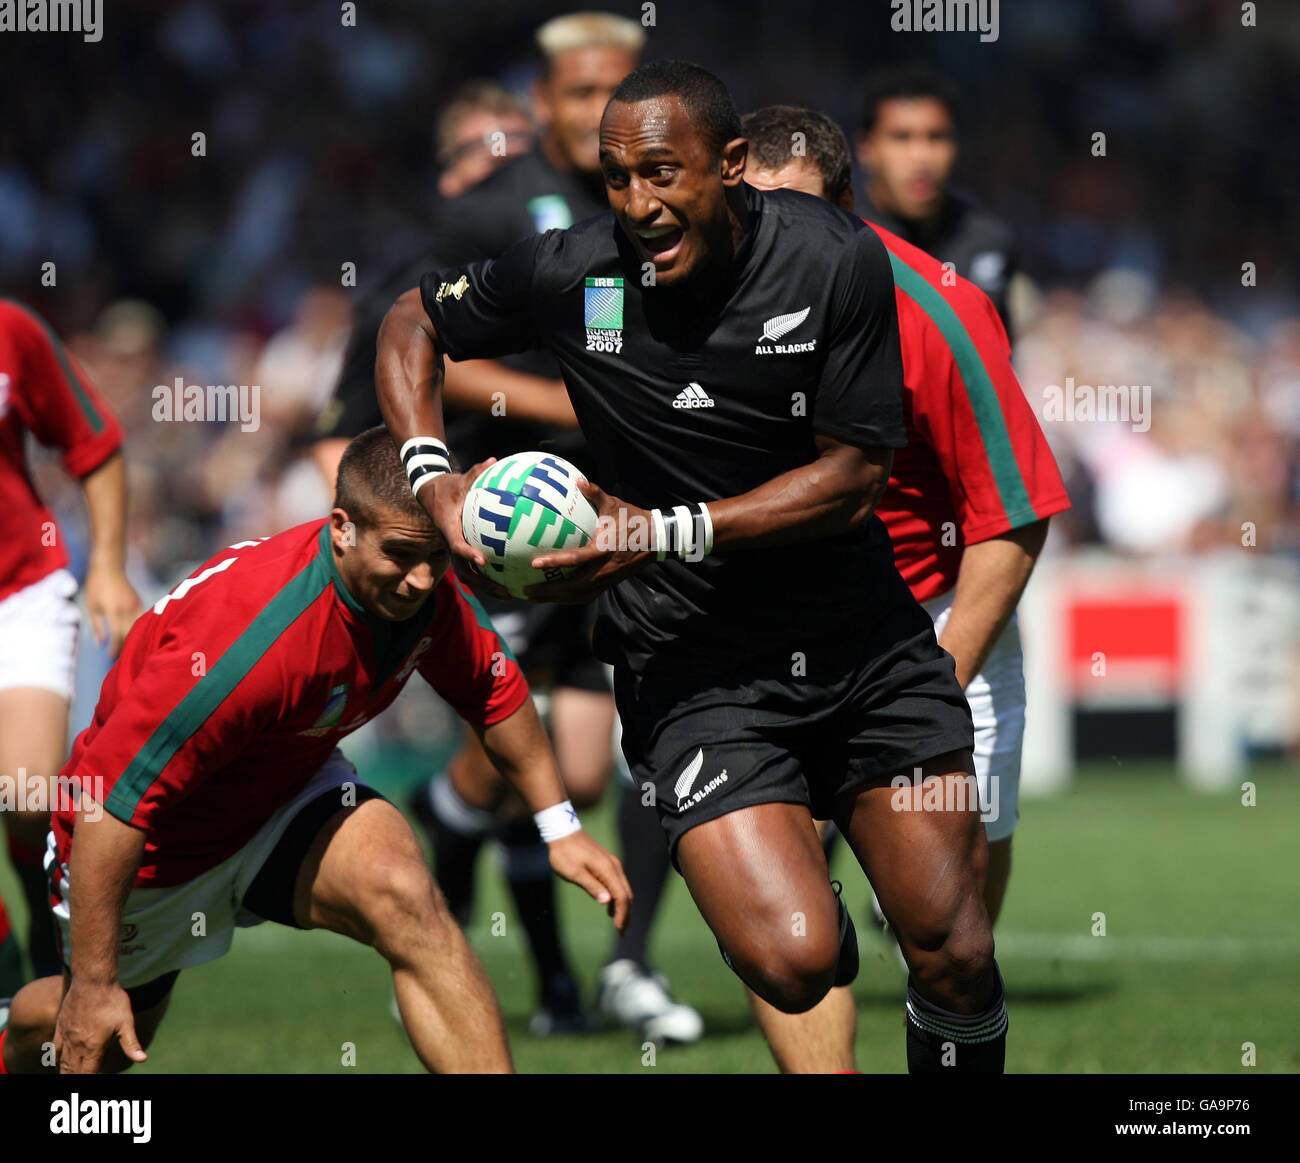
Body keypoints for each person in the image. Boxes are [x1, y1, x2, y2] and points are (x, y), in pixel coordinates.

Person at [376, 60, 1007, 1074]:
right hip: (694, 664)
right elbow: (411, 320)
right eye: (617, 176)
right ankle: (787, 904)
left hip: (865, 645)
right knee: (798, 960)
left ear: (730, 167)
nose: (637, 202)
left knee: (954, 951)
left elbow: (850, 478)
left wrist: (651, 531)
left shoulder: (835, 257)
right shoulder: (573, 271)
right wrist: (431, 475)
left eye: (662, 174)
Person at [0, 427, 630, 1074]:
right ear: (341, 527)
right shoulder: (248, 642)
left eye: (436, 555)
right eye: (401, 554)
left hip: (282, 795)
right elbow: (112, 799)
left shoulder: (426, 589)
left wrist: (561, 827)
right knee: (89, 1039)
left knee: (409, 896)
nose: (420, 579)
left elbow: (496, 696)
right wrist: (97, 982)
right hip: (154, 846)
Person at [317, 13, 702, 1044]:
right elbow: (421, 336)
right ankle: (443, 903)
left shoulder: (652, 205)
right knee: (521, 759)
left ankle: (614, 966)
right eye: (576, 94)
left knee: (599, 761)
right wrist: (561, 411)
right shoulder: (497, 208)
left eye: (613, 92)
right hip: (514, 524)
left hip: (615, 519)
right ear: (542, 103)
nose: (595, 113)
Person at [741, 105, 1070, 1070]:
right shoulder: (698, 296)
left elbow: (1013, 515)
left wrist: (934, 677)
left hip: (933, 625)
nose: (779, 242)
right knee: (788, 911)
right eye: (757, 217)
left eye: (800, 215)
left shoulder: (939, 306)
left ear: (849, 205)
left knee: (951, 942)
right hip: (774, 632)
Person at [0, 299, 140, 992]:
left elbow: (94, 442)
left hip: (20, 591)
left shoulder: (11, 331)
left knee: (25, 793)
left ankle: (39, 916)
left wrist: (108, 564)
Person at [856, 65, 1019, 330]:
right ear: (866, 149)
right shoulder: (839, 243)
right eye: (901, 138)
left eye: (937, 137)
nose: (921, 157)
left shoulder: (988, 241)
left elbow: (998, 359)